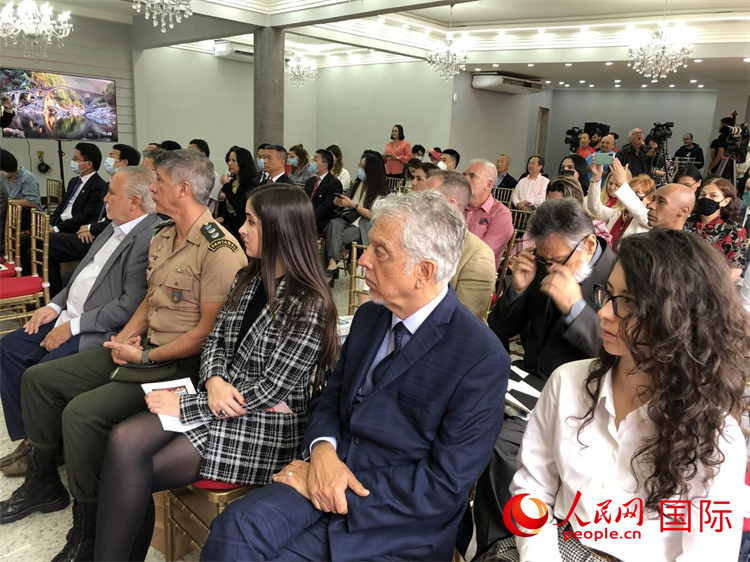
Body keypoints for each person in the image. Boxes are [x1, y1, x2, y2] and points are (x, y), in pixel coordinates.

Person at [201, 190, 511, 561]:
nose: (363, 260)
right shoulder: (371, 317)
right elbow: (330, 398)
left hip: (394, 519)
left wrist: (334, 484)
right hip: (327, 471)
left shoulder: (479, 357)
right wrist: (322, 451)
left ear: (424, 272)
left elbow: (444, 483)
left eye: (380, 251)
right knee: (233, 530)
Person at [0, 150, 247, 560]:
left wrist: (146, 357)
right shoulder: (164, 234)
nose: (153, 188)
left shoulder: (219, 248)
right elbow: (150, 300)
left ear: (183, 189)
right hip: (145, 349)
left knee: (81, 414)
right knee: (39, 379)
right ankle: (44, 485)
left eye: (160, 182)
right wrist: (126, 339)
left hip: (179, 366)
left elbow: (206, 334)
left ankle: (89, 529)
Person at [94, 184, 341, 561]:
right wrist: (212, 381)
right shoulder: (249, 278)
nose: (241, 229)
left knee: (134, 468)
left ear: (280, 229)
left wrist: (187, 406)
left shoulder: (309, 303)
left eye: (251, 222)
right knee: (123, 440)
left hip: (265, 426)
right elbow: (216, 342)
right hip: (221, 401)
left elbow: (271, 389)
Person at [505, 229, 748, 562]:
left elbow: (707, 554)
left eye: (629, 303)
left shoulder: (715, 433)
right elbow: (532, 486)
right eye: (608, 294)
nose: (603, 312)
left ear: (678, 317)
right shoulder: (568, 382)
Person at [475, 199, 617, 553]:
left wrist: (577, 309)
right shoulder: (544, 262)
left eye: (556, 261)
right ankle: (486, 543)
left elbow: (616, 353)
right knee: (465, 414)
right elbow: (500, 328)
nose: (549, 267)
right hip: (530, 380)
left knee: (502, 446)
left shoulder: (618, 275)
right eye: (544, 259)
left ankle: (508, 542)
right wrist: (518, 290)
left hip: (585, 394)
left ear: (588, 244)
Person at [0, 167, 160, 478]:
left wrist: (71, 327)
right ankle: (31, 438)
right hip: (67, 314)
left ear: (135, 201)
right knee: (10, 347)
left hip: (94, 329)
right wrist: (53, 305)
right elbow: (79, 276)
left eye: (112, 193)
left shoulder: (148, 237)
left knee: (41, 372)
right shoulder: (113, 227)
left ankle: (44, 448)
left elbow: (129, 305)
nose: (105, 198)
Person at [46, 143, 141, 297]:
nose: (108, 159)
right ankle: (50, 297)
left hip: (101, 239)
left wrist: (90, 228)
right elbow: (96, 215)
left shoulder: (127, 191)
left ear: (123, 162)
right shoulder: (106, 185)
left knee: (43, 240)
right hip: (91, 233)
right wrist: (88, 227)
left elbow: (116, 220)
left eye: (111, 156)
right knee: (47, 253)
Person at [424, 171, 496, 319]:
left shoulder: (478, 256)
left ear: (449, 206)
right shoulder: (413, 237)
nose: (417, 205)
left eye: (427, 199)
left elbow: (463, 321)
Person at [323, 152, 388, 283]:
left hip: (362, 224)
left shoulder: (380, 191)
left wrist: (353, 205)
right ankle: (332, 265)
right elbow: (347, 203)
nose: (360, 169)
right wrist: (339, 202)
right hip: (347, 218)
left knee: (333, 236)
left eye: (363, 167)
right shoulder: (357, 184)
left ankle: (330, 268)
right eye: (360, 165)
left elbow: (374, 215)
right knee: (333, 224)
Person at [685, 177, 747, 281]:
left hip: (712, 283)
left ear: (726, 201)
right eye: (703, 195)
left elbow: (735, 269)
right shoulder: (687, 221)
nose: (706, 198)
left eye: (713, 196)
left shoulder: (734, 230)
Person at [588, 158, 655, 250]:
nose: (632, 195)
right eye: (631, 191)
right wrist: (596, 179)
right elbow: (594, 207)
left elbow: (638, 210)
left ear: (649, 199)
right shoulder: (619, 213)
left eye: (637, 193)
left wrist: (622, 183)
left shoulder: (648, 218)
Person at [463, 159, 514, 269]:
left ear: (488, 184)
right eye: (464, 175)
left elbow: (483, 254)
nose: (464, 180)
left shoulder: (501, 214)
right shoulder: (457, 205)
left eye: (472, 176)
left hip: (477, 273)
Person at [50, 143, 108, 234]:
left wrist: (56, 229)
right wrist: (50, 223)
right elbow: (62, 205)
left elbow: (85, 216)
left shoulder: (98, 185)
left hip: (73, 229)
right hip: (59, 224)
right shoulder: (74, 181)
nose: (73, 162)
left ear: (88, 164)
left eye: (76, 159)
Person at [217, 147, 258, 241]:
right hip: (227, 226)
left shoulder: (251, 185)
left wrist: (226, 186)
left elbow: (240, 207)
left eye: (234, 161)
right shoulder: (231, 182)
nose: (229, 163)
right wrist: (222, 216)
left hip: (240, 229)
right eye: (229, 160)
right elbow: (224, 204)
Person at [0, 149, 41, 235]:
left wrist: (9, 201)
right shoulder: (4, 178)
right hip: (11, 212)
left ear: (7, 168)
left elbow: (32, 202)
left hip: (28, 215)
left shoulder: (27, 178)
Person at [305, 148, 343, 233]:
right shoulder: (309, 181)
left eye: (315, 160)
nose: (311, 163)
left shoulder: (334, 183)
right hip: (306, 217)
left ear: (325, 165)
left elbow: (326, 207)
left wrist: (309, 217)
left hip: (321, 221)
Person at [188, 139, 223, 214]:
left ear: (202, 154)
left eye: (191, 152)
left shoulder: (213, 176)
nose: (188, 155)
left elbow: (205, 204)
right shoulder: (189, 174)